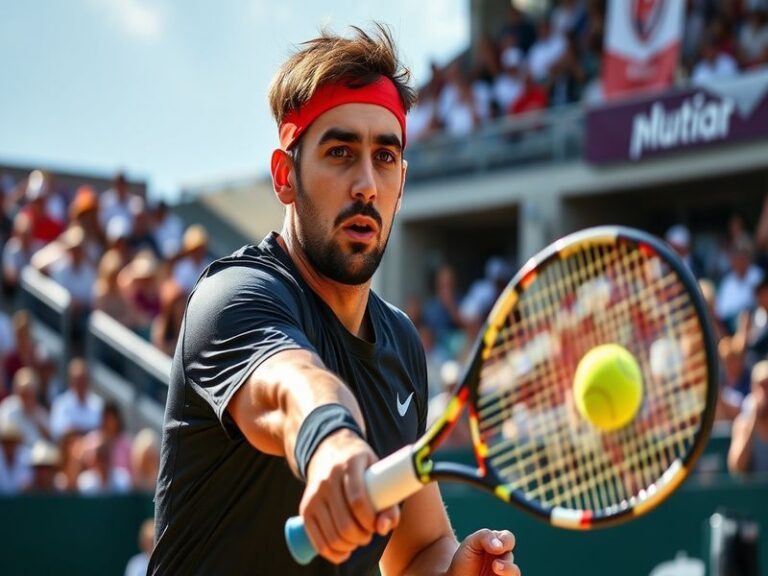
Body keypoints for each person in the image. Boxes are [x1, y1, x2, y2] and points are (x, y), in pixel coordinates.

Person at [150, 24, 519, 576]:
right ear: (285, 177)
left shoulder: (400, 344)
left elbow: (418, 548)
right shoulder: (231, 298)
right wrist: (331, 441)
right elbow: (290, 386)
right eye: (341, 152)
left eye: (386, 157)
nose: (367, 184)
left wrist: (455, 570)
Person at [728, 360, 768, 473]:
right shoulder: (742, 423)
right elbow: (737, 467)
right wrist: (754, 418)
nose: (765, 392)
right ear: (753, 388)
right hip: (753, 490)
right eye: (761, 385)